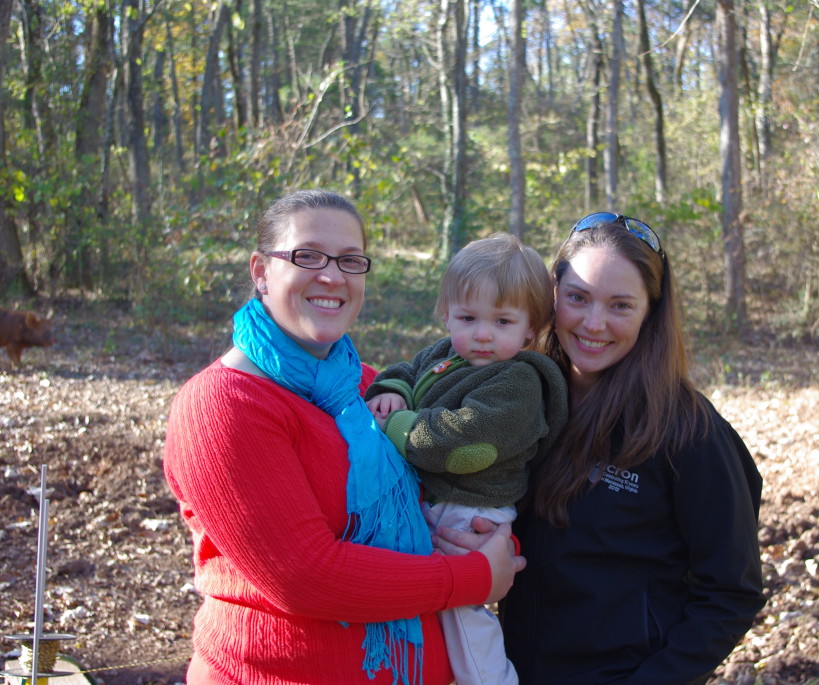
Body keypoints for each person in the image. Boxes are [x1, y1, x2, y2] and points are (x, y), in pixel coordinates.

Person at [162, 189, 524, 685]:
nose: (332, 276)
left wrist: (485, 539)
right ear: (260, 270)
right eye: (307, 255)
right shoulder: (223, 405)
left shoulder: (367, 390)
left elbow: (446, 495)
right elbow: (304, 577)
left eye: (351, 261)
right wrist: (475, 578)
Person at [435, 213, 765, 685]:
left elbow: (732, 593)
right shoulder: (521, 401)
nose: (594, 323)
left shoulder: (689, 432)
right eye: (578, 298)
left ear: (650, 311)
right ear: (552, 297)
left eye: (620, 306)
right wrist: (483, 547)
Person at [365, 232, 569, 685]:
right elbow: (403, 371)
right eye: (467, 317)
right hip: (434, 495)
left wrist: (397, 428)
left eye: (502, 321)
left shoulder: (519, 382)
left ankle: (491, 679)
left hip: (470, 507)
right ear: (446, 315)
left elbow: (466, 445)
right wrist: (392, 392)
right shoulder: (445, 354)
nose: (481, 333)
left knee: (463, 613)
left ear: (530, 328)